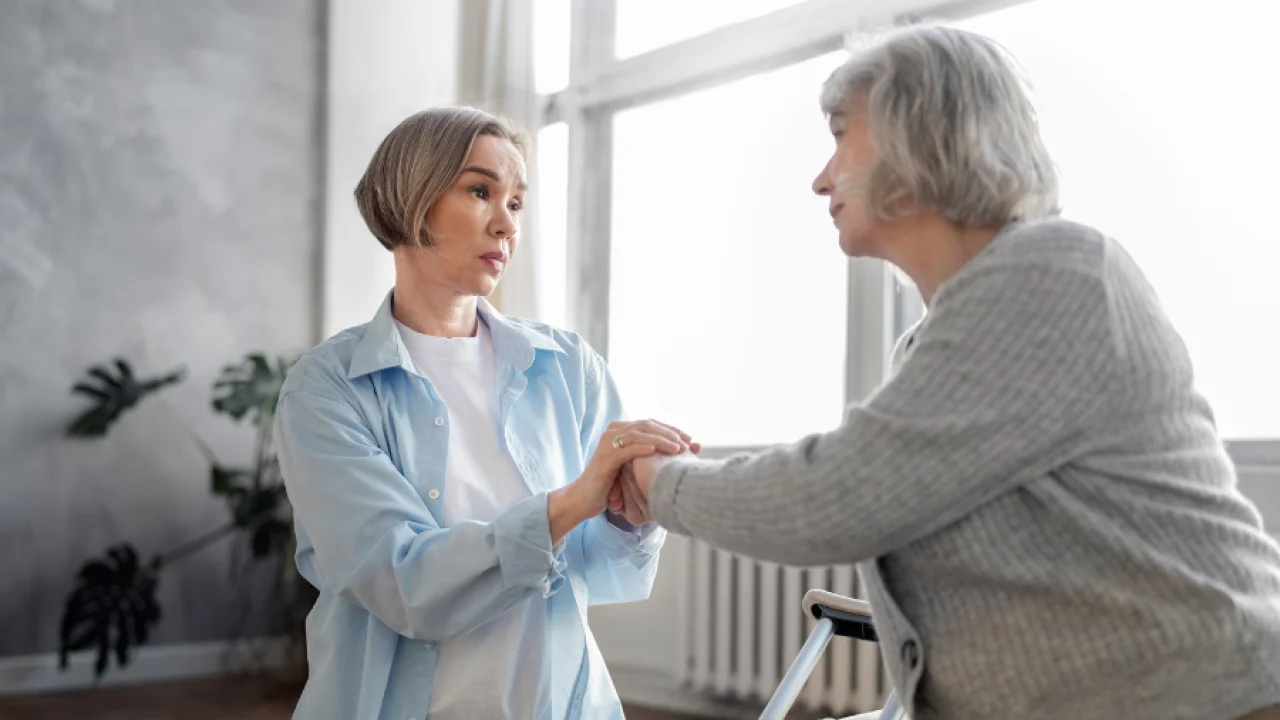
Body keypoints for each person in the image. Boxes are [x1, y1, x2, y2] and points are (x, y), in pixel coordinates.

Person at [623, 25, 1280, 720]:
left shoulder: (1057, 272)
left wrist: (657, 480)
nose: (821, 177)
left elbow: (834, 498)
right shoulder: (935, 340)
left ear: (923, 136)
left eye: (843, 135)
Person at [275, 106, 696, 720]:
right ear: (413, 201)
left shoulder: (569, 367)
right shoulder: (326, 390)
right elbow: (404, 584)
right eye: (480, 191)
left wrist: (633, 513)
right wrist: (573, 501)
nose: (507, 225)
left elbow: (602, 570)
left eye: (517, 204)